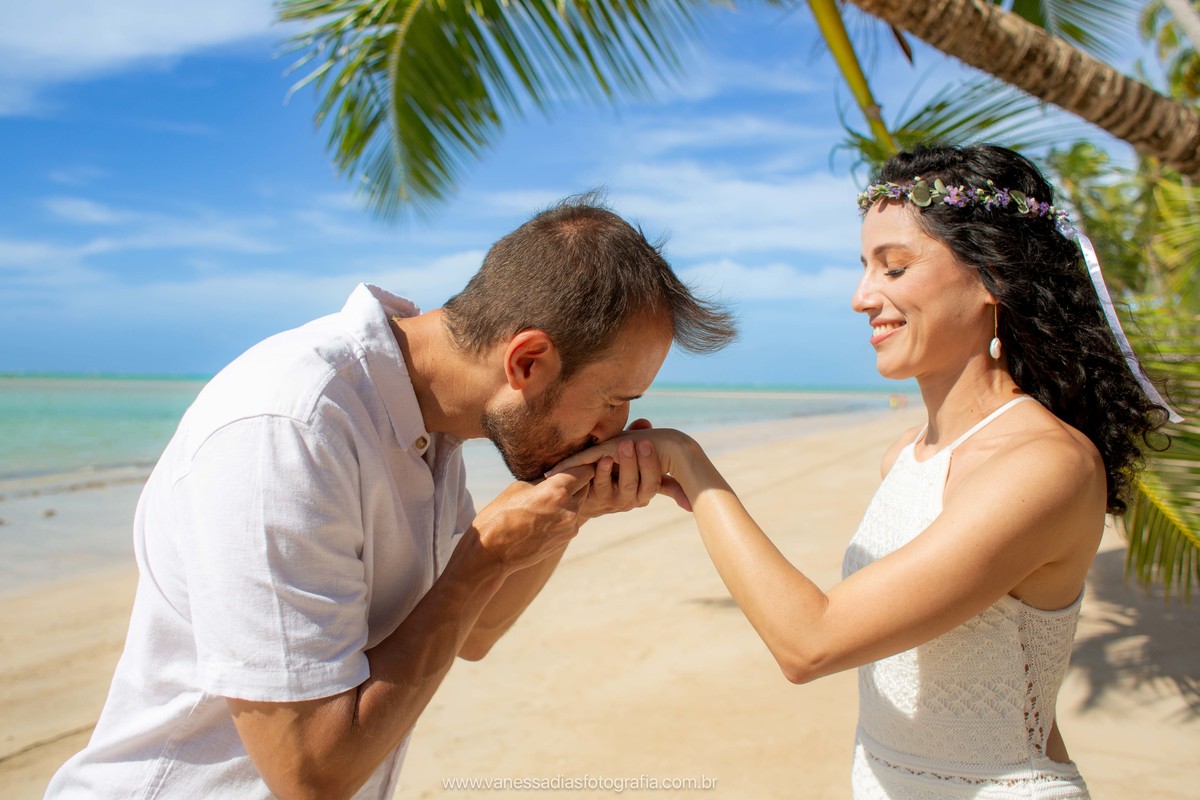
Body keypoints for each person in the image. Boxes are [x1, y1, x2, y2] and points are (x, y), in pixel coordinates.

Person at [45, 195, 736, 800]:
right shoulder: (292, 426)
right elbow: (311, 774)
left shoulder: (428, 428)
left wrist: (569, 512)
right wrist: (484, 555)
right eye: (614, 400)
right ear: (526, 361)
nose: (612, 429)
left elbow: (477, 631)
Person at [553, 144, 1173, 798]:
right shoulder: (903, 455)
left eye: (895, 268)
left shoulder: (1044, 465)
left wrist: (690, 466)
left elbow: (810, 642)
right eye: (864, 268)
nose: (860, 297)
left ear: (994, 276)